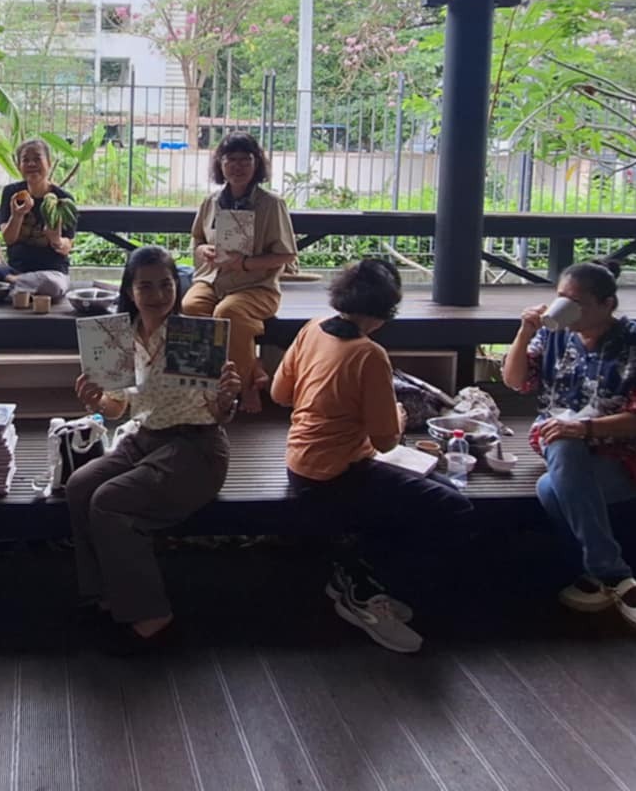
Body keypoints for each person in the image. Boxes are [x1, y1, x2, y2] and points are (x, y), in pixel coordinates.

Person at [275, 258, 471, 654]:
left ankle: (358, 575)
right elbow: (385, 441)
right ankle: (362, 585)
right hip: (336, 476)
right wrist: (398, 414)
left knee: (441, 490)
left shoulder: (312, 328)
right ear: (385, 312)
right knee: (454, 508)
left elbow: (281, 394)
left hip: (301, 463)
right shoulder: (369, 354)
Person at [69, 246, 242, 652]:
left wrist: (227, 398)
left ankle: (151, 612)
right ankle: (105, 592)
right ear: (130, 290)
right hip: (146, 438)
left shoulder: (192, 335)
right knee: (80, 486)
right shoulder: (119, 337)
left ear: (176, 286)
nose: (158, 294)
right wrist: (96, 401)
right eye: (145, 286)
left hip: (197, 446)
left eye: (166, 284)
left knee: (109, 500)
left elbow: (219, 414)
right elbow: (118, 407)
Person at [503, 259, 636, 633]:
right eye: (560, 297)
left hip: (626, 457)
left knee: (550, 488)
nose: (564, 307)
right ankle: (615, 575)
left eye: (576, 302)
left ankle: (599, 576)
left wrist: (584, 428)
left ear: (607, 304)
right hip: (560, 446)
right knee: (562, 443)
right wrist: (523, 333)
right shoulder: (553, 334)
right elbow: (515, 381)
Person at [183, 133, 297, 414]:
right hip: (213, 280)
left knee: (228, 313)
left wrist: (244, 264)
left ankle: (245, 387)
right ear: (220, 164)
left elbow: (286, 255)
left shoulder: (271, 205)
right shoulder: (211, 201)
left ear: (256, 164)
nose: (237, 166)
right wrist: (203, 251)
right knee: (190, 305)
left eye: (245, 159)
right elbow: (197, 240)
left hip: (257, 286)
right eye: (230, 159)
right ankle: (223, 378)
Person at [0, 137, 74, 298]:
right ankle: (19, 283)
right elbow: (9, 239)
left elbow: (67, 245)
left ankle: (13, 284)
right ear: (19, 166)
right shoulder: (11, 193)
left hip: (52, 273)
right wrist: (17, 215)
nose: (31, 164)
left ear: (49, 162)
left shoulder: (63, 199)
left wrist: (56, 240)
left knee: (53, 285)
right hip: (16, 269)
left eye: (37, 159)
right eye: (25, 160)